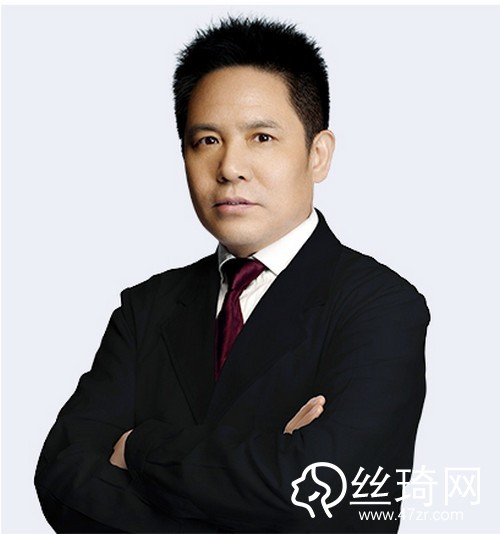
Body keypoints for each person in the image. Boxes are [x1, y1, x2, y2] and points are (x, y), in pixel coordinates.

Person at [35, 16, 430, 533]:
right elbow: (62, 474)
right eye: (206, 140)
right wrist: (264, 467)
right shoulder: (146, 307)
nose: (229, 167)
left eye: (261, 137)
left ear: (318, 154)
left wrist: (139, 447)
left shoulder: (381, 305)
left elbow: (326, 490)